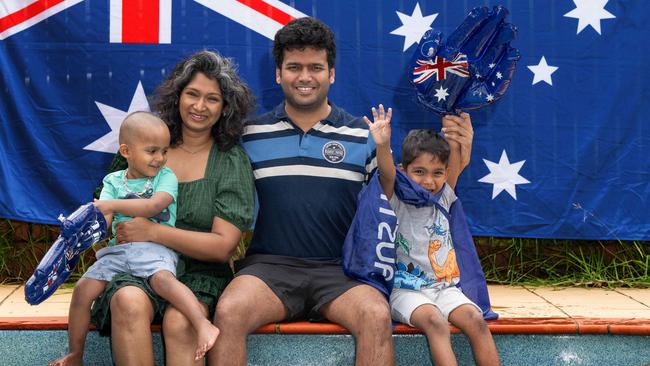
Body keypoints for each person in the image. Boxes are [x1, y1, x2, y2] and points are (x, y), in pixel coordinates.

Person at [210, 17, 474, 366]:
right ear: (278, 73)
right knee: (228, 311)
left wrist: (457, 160)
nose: (305, 77)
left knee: (376, 315)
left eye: (315, 67)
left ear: (331, 73)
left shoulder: (362, 136)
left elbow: (409, 201)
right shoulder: (251, 134)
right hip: (270, 269)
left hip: (342, 271)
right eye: (294, 67)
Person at [88, 51, 255, 365]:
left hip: (199, 272)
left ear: (226, 108)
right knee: (127, 300)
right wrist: (100, 223)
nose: (199, 106)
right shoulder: (143, 145)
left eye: (212, 99)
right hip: (135, 266)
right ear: (178, 95)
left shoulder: (231, 160)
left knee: (181, 320)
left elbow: (222, 247)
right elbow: (104, 213)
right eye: (192, 94)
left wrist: (154, 231)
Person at [49, 112, 221, 366]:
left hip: (156, 249)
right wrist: (85, 233)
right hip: (118, 253)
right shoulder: (113, 181)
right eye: (152, 151)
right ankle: (75, 353)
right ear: (126, 151)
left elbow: (153, 207)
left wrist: (107, 204)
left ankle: (203, 324)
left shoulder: (166, 178)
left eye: (164, 151)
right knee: (82, 290)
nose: (160, 158)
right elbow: (104, 222)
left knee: (164, 280)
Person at [364, 105, 499, 366]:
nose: (428, 181)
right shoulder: (395, 198)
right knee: (436, 322)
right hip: (404, 291)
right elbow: (386, 173)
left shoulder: (445, 195)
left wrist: (462, 134)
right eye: (419, 172)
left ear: (446, 174)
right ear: (404, 171)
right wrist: (382, 145)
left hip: (443, 288)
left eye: (437, 173)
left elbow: (456, 159)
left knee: (476, 320)